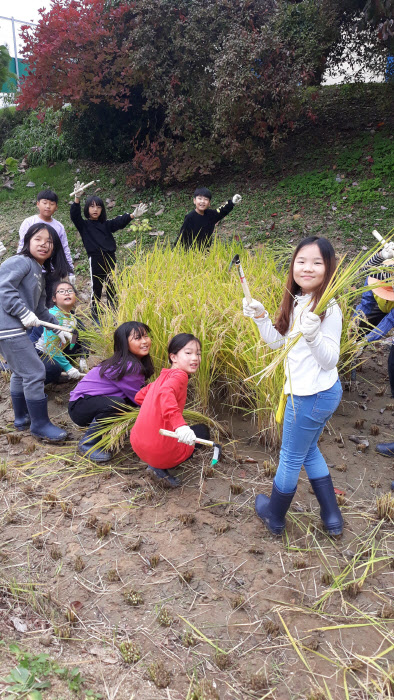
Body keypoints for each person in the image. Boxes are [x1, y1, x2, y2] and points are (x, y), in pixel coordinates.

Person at [243, 236, 343, 536]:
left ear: (329, 268)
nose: (307, 268)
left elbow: (329, 360)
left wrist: (313, 336)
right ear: (293, 266)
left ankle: (274, 515)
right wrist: (260, 317)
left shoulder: (328, 307)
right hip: (317, 394)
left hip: (310, 397)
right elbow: (280, 345)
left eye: (316, 262)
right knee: (309, 450)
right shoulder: (298, 300)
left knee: (289, 456)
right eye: (301, 261)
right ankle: (332, 515)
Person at [0, 223, 72, 441]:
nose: (44, 244)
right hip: (8, 327)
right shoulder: (20, 262)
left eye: (49, 241)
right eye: (38, 239)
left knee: (22, 372)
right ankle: (40, 425)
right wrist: (22, 312)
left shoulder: (38, 272)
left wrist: (57, 327)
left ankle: (22, 418)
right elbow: (3, 288)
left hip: (11, 327)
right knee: (35, 372)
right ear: (27, 241)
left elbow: (40, 309)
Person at [130, 333, 210, 488]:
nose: (195, 358)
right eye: (188, 353)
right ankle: (159, 467)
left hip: (138, 444)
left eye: (198, 354)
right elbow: (166, 393)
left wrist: (153, 410)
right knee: (202, 432)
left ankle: (156, 461)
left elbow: (139, 397)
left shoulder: (162, 377)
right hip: (156, 451)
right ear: (173, 357)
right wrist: (180, 426)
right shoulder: (180, 376)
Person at [68, 321, 154, 463]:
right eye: (138, 338)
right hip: (80, 406)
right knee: (120, 404)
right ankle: (88, 443)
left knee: (125, 404)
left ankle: (104, 433)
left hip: (91, 402)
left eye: (146, 336)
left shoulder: (134, 362)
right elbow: (140, 398)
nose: (144, 341)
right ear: (124, 344)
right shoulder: (128, 366)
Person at [70, 181, 148, 320]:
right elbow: (75, 216)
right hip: (95, 259)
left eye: (98, 207)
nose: (95, 209)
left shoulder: (106, 225)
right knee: (97, 287)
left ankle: (114, 312)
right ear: (87, 208)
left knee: (113, 285)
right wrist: (77, 199)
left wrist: (132, 215)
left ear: (102, 210)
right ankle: (95, 313)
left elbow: (118, 222)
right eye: (92, 206)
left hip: (110, 257)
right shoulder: (84, 226)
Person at [17, 189, 75, 302]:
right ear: (38, 204)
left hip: (53, 271)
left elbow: (64, 249)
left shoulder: (59, 227)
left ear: (56, 207)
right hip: (31, 270)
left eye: (52, 204)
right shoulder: (29, 222)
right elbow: (22, 246)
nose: (48, 206)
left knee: (51, 301)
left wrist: (70, 271)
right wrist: (19, 267)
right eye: (44, 203)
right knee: (32, 300)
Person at [30, 279, 89, 385]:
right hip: (38, 354)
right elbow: (50, 348)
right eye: (61, 291)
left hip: (56, 351)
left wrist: (82, 357)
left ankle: (59, 370)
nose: (66, 293)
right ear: (54, 299)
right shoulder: (52, 316)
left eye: (70, 290)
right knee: (53, 368)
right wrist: (68, 367)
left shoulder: (73, 318)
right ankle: (31, 385)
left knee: (77, 336)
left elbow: (77, 340)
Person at [175, 187, 242, 249]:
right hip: (191, 253)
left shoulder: (210, 215)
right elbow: (182, 235)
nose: (202, 201)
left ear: (209, 203)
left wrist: (232, 202)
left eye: (206, 199)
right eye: (200, 198)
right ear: (194, 201)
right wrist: (175, 252)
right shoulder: (190, 217)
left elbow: (221, 211)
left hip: (206, 252)